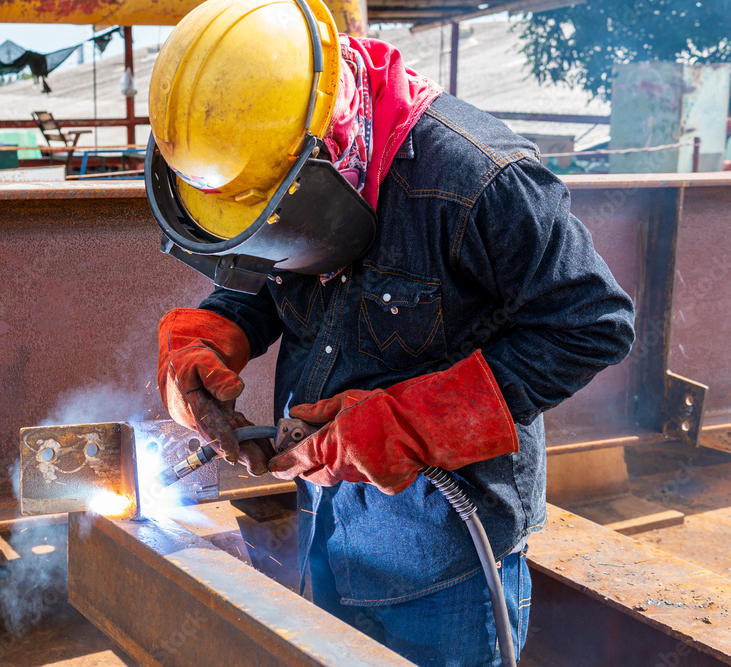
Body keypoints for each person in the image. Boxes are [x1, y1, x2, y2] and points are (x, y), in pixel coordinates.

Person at [148, 0, 636, 663]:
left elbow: (592, 323)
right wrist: (214, 330)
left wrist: (415, 422)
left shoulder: (478, 178)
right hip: (328, 522)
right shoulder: (283, 160)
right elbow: (278, 259)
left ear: (326, 156)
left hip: (446, 561)